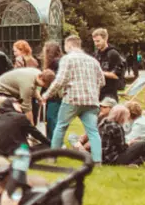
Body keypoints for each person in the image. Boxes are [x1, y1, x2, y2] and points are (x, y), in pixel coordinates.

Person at [43, 35, 105, 163]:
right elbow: (102, 81)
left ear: (69, 45)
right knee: (93, 131)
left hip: (72, 99)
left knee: (60, 127)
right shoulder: (93, 60)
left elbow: (60, 80)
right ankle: (97, 160)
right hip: (91, 100)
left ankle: (52, 158)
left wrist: (46, 95)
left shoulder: (67, 59)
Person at [92, 28, 127, 104]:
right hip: (97, 92)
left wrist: (99, 72)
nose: (96, 44)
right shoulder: (96, 55)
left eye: (98, 41)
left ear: (105, 39)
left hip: (109, 94)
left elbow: (116, 75)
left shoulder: (113, 54)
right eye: (94, 41)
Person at [41, 40, 64, 139]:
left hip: (54, 96)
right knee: (52, 118)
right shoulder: (59, 61)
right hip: (56, 96)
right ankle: (51, 139)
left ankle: (54, 140)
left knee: (51, 118)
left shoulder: (56, 63)